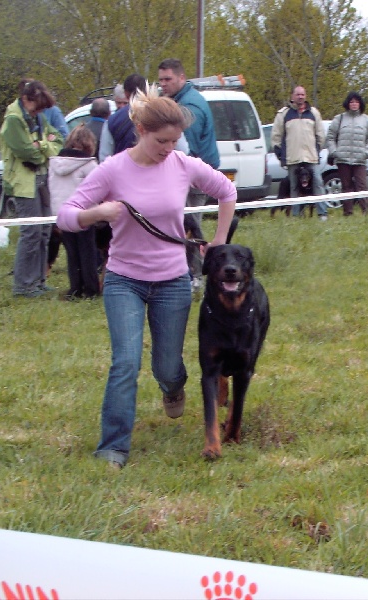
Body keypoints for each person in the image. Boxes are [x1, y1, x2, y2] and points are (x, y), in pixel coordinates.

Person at [56, 87, 237, 469]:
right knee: (125, 362)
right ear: (139, 129)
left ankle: (172, 388)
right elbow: (66, 216)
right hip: (124, 281)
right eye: (161, 141)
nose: (168, 148)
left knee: (167, 367)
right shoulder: (113, 169)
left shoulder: (183, 164)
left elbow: (226, 190)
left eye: (174, 140)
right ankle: (113, 447)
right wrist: (98, 213)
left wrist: (218, 243)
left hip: (173, 282)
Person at [158, 58, 219, 290]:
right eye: (161, 79)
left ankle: (197, 276)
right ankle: (195, 273)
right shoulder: (180, 101)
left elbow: (184, 152)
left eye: (168, 79)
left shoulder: (188, 109)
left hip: (194, 179)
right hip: (192, 176)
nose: (163, 84)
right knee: (184, 226)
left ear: (181, 78)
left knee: (189, 228)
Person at [0, 79, 63, 297]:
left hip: (42, 178)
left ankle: (39, 280)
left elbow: (59, 141)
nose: (39, 113)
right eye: (37, 107)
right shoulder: (13, 121)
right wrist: (43, 149)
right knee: (31, 232)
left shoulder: (40, 118)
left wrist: (43, 145)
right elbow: (26, 152)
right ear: (26, 99)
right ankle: (23, 285)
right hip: (23, 184)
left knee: (45, 231)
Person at [48, 125, 99, 298]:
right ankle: (91, 289)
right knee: (87, 251)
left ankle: (75, 288)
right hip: (83, 213)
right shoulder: (90, 164)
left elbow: (52, 189)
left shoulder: (54, 163)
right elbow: (97, 189)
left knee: (71, 252)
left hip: (62, 213)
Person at [271, 85, 329, 221]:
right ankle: (297, 215)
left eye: (302, 94)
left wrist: (316, 149)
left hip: (311, 157)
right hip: (293, 158)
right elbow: (276, 136)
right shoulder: (284, 114)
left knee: (318, 183)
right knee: (294, 187)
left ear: (306, 96)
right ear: (292, 96)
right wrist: (280, 154)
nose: (300, 97)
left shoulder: (314, 113)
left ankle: (322, 214)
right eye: (297, 94)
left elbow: (320, 135)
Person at [326, 91, 368, 216]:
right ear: (347, 103)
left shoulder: (367, 120)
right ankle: (348, 213)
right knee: (346, 187)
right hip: (343, 160)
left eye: (356, 102)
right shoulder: (339, 118)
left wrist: (366, 153)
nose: (354, 104)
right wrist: (335, 152)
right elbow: (330, 137)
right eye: (351, 102)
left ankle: (367, 213)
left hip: (360, 160)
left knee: (362, 186)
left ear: (360, 104)